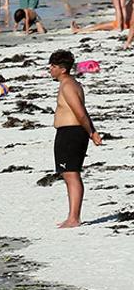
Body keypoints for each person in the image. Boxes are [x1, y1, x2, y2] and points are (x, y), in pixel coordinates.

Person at [50, 50, 102, 228]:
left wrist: (91, 132)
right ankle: (72, 216)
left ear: (63, 69)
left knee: (71, 174)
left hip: (71, 133)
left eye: (53, 66)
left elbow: (80, 112)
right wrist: (91, 131)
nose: (50, 69)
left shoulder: (68, 86)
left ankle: (74, 218)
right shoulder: (70, 83)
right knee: (69, 174)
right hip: (69, 132)